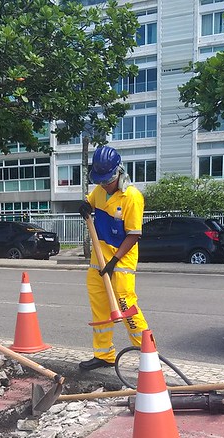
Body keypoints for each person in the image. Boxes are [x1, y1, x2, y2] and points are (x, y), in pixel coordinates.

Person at [78, 145, 149, 370]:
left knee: (127, 308)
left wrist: (114, 261)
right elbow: (90, 202)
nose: (104, 184)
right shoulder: (99, 191)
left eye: (107, 179)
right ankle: (104, 355)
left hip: (121, 261)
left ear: (119, 172)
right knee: (99, 308)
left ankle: (148, 355)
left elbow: (134, 235)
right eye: (100, 180)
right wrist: (84, 207)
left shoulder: (132, 197)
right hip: (98, 260)